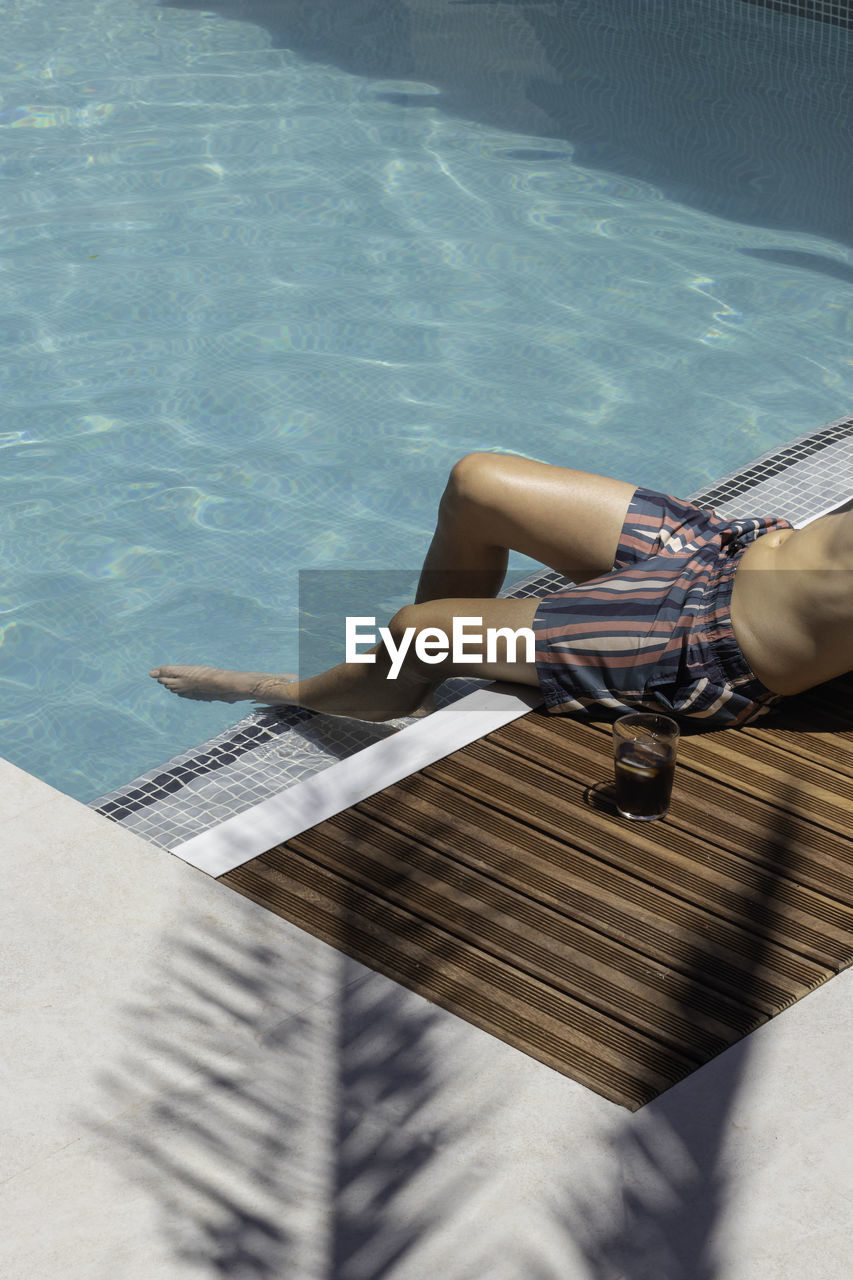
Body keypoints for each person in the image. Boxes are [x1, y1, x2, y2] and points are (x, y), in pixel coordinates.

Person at [149, 453, 853, 727]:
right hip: (727, 548)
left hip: (697, 647)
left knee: (418, 629)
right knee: (477, 483)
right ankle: (420, 670)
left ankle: (290, 689)